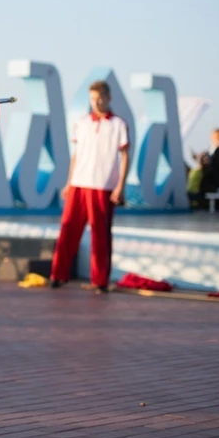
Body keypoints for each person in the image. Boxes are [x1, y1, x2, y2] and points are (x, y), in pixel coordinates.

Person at [49, 80, 130, 294]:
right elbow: (77, 155)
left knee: (100, 235)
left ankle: (100, 280)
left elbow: (125, 156)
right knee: (68, 229)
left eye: (100, 97)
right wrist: (68, 182)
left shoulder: (119, 124)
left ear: (109, 97)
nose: (97, 102)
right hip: (78, 184)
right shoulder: (82, 122)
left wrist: (120, 186)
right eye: (93, 98)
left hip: (103, 186)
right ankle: (58, 274)